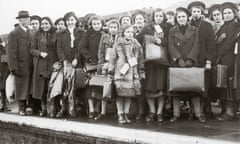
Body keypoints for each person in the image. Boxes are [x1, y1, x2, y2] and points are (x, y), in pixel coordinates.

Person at [168, 7, 205, 123]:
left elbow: (197, 45)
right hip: (177, 63)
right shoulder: (172, 31)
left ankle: (199, 114)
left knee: (193, 89)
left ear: (187, 18)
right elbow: (170, 46)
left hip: (191, 63)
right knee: (176, 90)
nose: (181, 19)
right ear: (176, 19)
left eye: (183, 16)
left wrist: (190, 59)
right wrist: (178, 59)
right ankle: (176, 114)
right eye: (179, 17)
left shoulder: (194, 30)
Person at [136, 8, 172, 122]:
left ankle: (160, 112)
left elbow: (172, 42)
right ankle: (152, 111)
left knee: (161, 87)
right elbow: (138, 40)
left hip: (162, 62)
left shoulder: (168, 27)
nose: (159, 18)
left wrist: (163, 41)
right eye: (157, 16)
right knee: (149, 87)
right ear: (153, 17)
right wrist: (150, 40)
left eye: (161, 16)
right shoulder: (147, 28)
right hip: (150, 62)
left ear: (164, 17)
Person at [108, 24, 144, 124]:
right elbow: (112, 58)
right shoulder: (118, 44)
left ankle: (126, 114)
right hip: (120, 72)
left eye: (131, 32)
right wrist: (110, 72)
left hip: (132, 73)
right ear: (123, 33)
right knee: (120, 95)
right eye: (127, 32)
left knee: (128, 95)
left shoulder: (136, 44)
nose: (130, 34)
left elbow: (140, 59)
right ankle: (120, 114)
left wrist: (141, 71)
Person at [188, 1, 216, 118]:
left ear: (202, 12)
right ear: (190, 12)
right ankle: (193, 111)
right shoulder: (187, 24)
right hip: (191, 60)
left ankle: (206, 109)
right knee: (192, 86)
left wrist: (209, 60)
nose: (196, 13)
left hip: (203, 59)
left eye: (198, 11)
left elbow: (211, 45)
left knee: (205, 85)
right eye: (193, 11)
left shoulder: (207, 25)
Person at [215, 2, 240, 121]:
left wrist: (219, 49)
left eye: (229, 13)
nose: (226, 15)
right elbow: (217, 42)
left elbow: (230, 43)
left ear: (234, 14)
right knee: (223, 83)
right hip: (222, 59)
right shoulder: (223, 26)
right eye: (224, 13)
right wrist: (219, 41)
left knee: (229, 84)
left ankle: (230, 112)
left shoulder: (235, 26)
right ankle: (225, 109)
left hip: (230, 59)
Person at [56, 12, 84, 117]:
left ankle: (74, 107)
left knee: (75, 84)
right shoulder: (60, 33)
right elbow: (59, 48)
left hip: (77, 62)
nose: (70, 22)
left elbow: (81, 46)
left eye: (72, 20)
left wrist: (76, 58)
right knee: (64, 84)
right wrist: (63, 60)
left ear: (75, 21)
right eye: (68, 20)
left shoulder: (81, 32)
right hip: (65, 62)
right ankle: (64, 107)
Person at [30, 17, 58, 117]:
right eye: (43, 24)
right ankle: (44, 108)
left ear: (50, 24)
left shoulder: (55, 33)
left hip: (52, 62)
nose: (44, 26)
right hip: (41, 63)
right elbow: (32, 49)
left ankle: (52, 108)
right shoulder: (37, 35)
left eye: (47, 23)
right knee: (41, 87)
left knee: (51, 86)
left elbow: (58, 48)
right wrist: (39, 53)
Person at [7, 10, 33, 116]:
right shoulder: (14, 33)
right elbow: (11, 52)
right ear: (20, 20)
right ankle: (21, 108)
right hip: (20, 64)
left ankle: (28, 106)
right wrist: (13, 67)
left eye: (28, 18)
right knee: (21, 86)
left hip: (31, 64)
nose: (27, 20)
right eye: (24, 19)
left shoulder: (31, 32)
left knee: (29, 85)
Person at [79, 15, 104, 119]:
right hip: (90, 63)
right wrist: (89, 57)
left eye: (98, 23)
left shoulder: (104, 35)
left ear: (101, 24)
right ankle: (91, 109)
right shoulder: (87, 34)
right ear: (91, 25)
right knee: (90, 86)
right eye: (94, 24)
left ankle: (97, 108)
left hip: (101, 63)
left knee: (99, 85)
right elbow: (81, 47)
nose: (96, 26)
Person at [94, 19, 120, 120]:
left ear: (118, 29)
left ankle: (118, 112)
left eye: (115, 27)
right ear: (108, 28)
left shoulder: (120, 38)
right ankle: (103, 112)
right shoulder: (104, 37)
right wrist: (101, 64)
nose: (113, 29)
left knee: (117, 88)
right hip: (105, 66)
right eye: (111, 27)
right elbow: (100, 52)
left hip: (117, 66)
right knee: (104, 88)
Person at [0, 37, 9, 112]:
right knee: (2, 89)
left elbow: (5, 59)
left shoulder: (4, 48)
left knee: (3, 88)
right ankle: (3, 105)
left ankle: (4, 105)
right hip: (3, 70)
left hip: (4, 71)